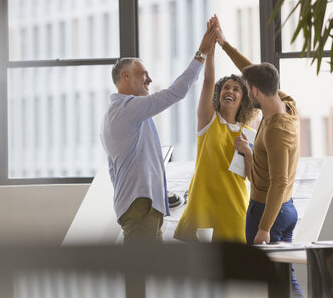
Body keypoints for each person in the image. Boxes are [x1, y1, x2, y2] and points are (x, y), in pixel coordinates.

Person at [100, 21, 217, 244]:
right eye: (143, 74)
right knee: (140, 271)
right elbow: (176, 92)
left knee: (144, 272)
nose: (150, 80)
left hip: (140, 203)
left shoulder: (116, 113)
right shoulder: (128, 109)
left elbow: (115, 169)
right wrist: (201, 52)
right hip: (140, 204)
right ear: (125, 77)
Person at [217, 17, 303, 297]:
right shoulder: (286, 104)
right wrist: (224, 43)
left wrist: (264, 228)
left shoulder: (278, 129)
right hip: (283, 209)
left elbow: (278, 181)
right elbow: (251, 71)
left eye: (246, 87)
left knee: (278, 283)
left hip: (269, 212)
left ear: (253, 91)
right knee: (281, 280)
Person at [173, 16, 257, 243]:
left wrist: (248, 152)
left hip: (235, 209)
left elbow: (252, 177)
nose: (229, 91)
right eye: (226, 88)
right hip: (203, 210)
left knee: (235, 274)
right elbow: (208, 80)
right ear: (220, 95)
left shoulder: (248, 133)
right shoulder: (208, 121)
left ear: (243, 99)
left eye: (236, 89)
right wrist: (211, 49)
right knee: (203, 275)